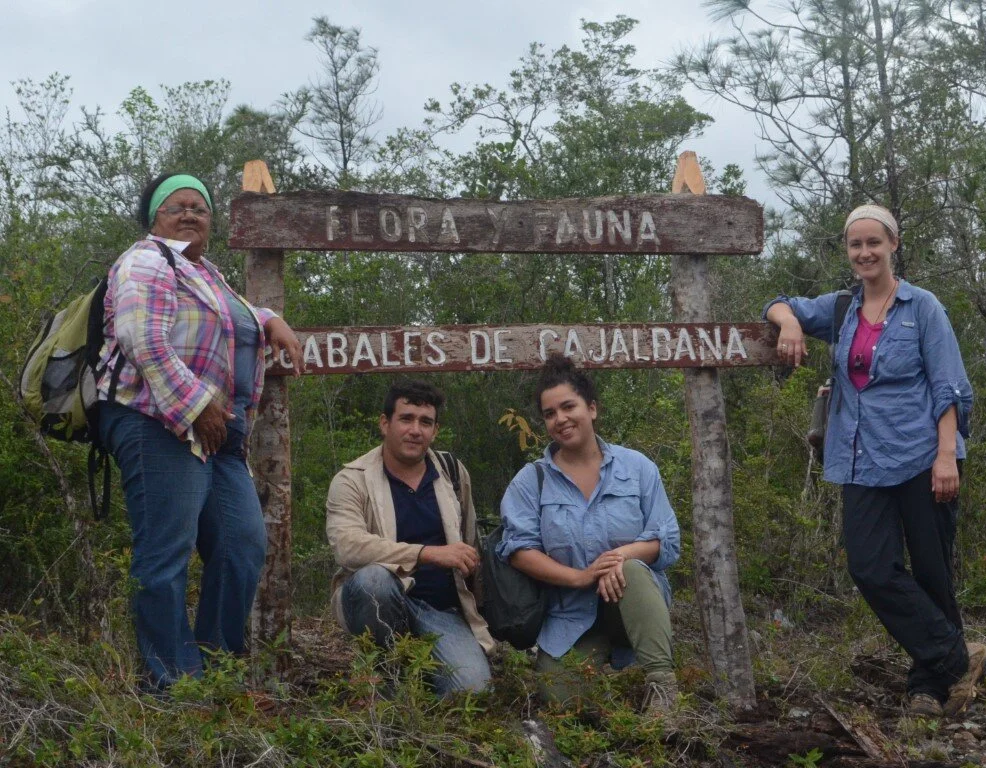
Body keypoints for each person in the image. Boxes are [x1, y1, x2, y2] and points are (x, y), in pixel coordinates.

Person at [764, 204, 986, 717]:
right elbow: (778, 303)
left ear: (893, 245)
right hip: (859, 460)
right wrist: (790, 325)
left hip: (921, 456)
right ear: (848, 250)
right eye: (855, 244)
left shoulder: (922, 307)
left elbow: (948, 385)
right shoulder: (840, 308)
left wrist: (947, 455)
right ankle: (957, 658)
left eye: (873, 243)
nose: (864, 253)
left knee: (932, 572)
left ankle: (928, 687)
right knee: (870, 567)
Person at [97, 172, 305, 688]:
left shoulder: (206, 271)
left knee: (242, 546)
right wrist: (197, 405)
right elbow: (141, 337)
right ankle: (172, 685)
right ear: (155, 218)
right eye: (178, 206)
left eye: (201, 208)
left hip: (220, 436)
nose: (191, 214)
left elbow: (222, 315)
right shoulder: (146, 259)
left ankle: (216, 673)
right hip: (157, 421)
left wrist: (269, 316)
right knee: (165, 554)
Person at [498, 355, 681, 715]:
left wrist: (621, 557)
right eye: (550, 413)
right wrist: (580, 577)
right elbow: (517, 549)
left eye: (569, 406)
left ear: (592, 408)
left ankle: (663, 691)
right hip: (570, 617)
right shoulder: (530, 481)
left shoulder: (638, 468)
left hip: (634, 603)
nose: (560, 419)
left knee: (627, 569)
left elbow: (668, 541)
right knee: (564, 704)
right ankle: (614, 707)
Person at [325, 381, 493, 696]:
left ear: (435, 429)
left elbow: (469, 546)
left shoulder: (452, 472)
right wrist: (427, 554)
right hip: (377, 600)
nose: (415, 430)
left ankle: (425, 669)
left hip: (441, 610)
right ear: (384, 423)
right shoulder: (352, 479)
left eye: (425, 421)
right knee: (375, 580)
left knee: (473, 691)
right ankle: (384, 676)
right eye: (406, 418)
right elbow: (347, 546)